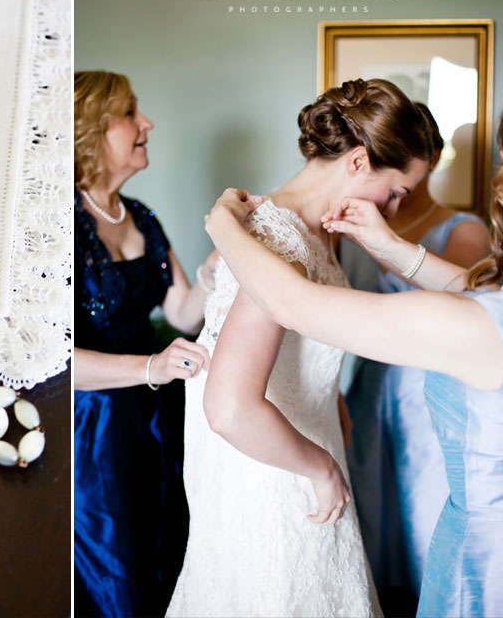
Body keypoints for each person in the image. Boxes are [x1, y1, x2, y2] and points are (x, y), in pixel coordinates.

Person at [204, 100, 503, 618]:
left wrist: (222, 225)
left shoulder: (486, 323)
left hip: (493, 558)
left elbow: (290, 304)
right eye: (396, 191)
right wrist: (390, 246)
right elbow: (480, 290)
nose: (499, 179)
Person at [166, 78, 432, 618]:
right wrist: (321, 468)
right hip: (271, 467)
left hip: (303, 442)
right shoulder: (276, 241)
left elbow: (299, 346)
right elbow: (231, 406)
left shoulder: (318, 234)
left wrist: (331, 405)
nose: (397, 209)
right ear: (358, 161)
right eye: (398, 190)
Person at [73, 71, 217, 617]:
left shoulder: (143, 217)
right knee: (117, 572)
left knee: (165, 554)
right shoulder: (58, 225)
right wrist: (150, 366)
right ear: (92, 129)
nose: (147, 123)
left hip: (156, 420)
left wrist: (220, 258)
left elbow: (181, 310)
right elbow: (56, 359)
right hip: (93, 431)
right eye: (132, 112)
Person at [339, 102, 491, 603]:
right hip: (369, 382)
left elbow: (463, 301)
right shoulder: (348, 218)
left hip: (427, 387)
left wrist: (384, 243)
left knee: (423, 504)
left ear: (433, 156)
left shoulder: (463, 227)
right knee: (370, 503)